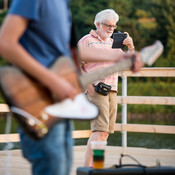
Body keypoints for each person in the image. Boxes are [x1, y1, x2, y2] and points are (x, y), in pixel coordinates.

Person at [0, 1, 142, 174]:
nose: (112, 28)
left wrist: (120, 57)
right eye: (108, 25)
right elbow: (5, 42)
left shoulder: (63, 5)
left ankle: (91, 168)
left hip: (63, 105)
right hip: (41, 102)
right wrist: (55, 82)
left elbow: (69, 55)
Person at [78, 9, 136, 167]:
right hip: (96, 90)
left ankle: (96, 166)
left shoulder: (113, 43)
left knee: (105, 133)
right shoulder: (86, 41)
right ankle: (88, 167)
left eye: (114, 26)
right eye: (108, 25)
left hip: (112, 89)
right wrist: (90, 87)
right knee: (99, 131)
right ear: (98, 24)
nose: (111, 29)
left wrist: (130, 46)